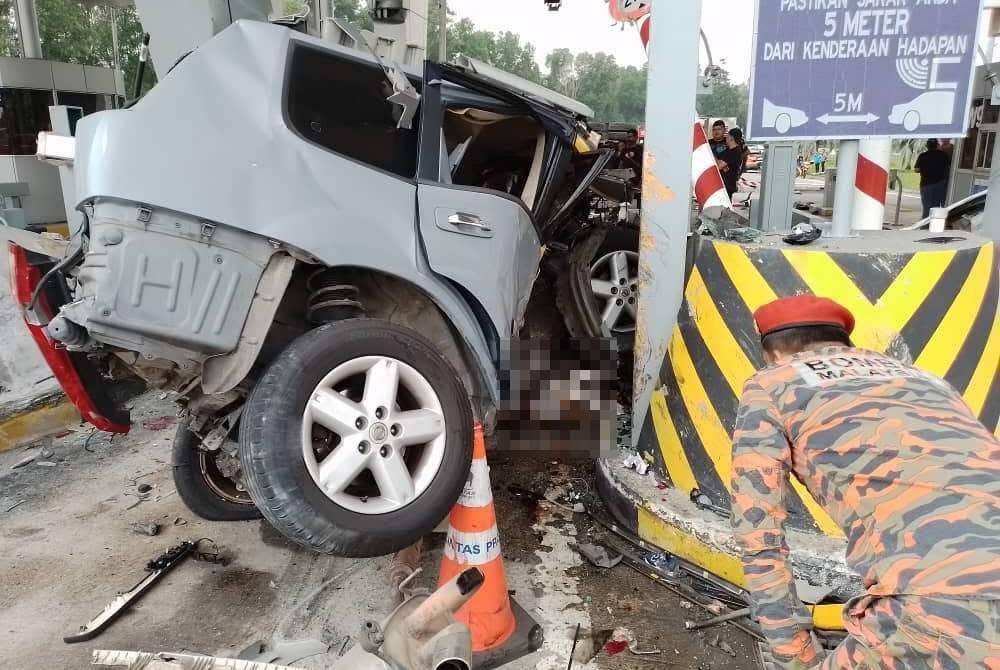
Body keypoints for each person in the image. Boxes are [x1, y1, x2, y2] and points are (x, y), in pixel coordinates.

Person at [732, 294, 1000, 670]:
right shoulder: (927, 381)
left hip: (944, 605)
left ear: (773, 353)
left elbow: (759, 534)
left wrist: (796, 659)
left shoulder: (772, 383)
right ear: (843, 341)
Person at [914, 139, 950, 218]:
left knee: (926, 207)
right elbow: (947, 168)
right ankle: (934, 222)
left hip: (925, 184)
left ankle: (925, 224)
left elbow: (916, 169)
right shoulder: (943, 155)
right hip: (939, 184)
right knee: (936, 207)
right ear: (937, 145)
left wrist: (924, 169)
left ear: (927, 146)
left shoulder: (923, 155)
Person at [717, 127, 747, 198]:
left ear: (731, 138)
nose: (726, 139)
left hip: (727, 186)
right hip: (724, 185)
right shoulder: (729, 151)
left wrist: (716, 160)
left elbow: (718, 166)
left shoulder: (735, 152)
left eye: (727, 136)